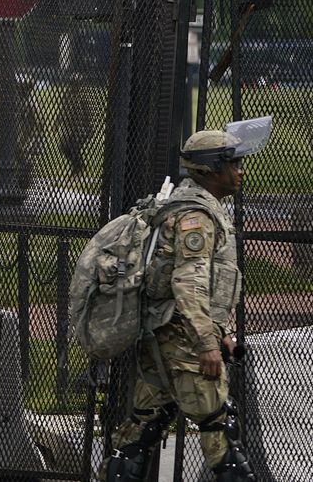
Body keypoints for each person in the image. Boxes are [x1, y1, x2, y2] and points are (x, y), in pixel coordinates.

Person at [103, 126, 266, 481]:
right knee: (220, 428)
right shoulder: (197, 217)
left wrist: (217, 331)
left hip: (164, 333)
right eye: (234, 164)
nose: (240, 171)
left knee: (141, 428)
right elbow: (189, 283)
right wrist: (206, 342)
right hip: (184, 341)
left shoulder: (183, 205)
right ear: (212, 169)